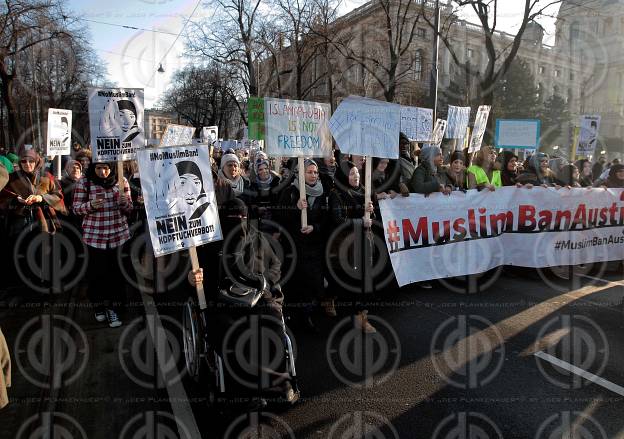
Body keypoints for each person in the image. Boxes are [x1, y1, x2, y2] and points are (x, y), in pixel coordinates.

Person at [73, 162, 132, 328]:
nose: (103, 172)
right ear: (93, 168)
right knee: (97, 275)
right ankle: (98, 305)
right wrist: (90, 206)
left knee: (117, 275)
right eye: (99, 168)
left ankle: (114, 308)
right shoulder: (84, 182)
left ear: (112, 168)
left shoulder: (122, 181)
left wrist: (123, 203)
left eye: (106, 168)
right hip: (94, 237)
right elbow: (76, 209)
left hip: (118, 236)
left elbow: (130, 209)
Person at [278, 159, 328, 328]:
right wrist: (295, 208)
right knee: (299, 282)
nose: (313, 175)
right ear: (301, 173)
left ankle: (310, 313)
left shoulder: (322, 192)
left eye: (315, 172)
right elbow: (281, 218)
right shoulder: (290, 192)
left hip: (315, 245)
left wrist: (315, 227)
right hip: (295, 245)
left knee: (314, 281)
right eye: (309, 172)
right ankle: (297, 316)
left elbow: (326, 220)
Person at [328, 161, 377, 333]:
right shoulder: (336, 194)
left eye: (357, 172)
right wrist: (359, 220)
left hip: (365, 242)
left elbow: (372, 217)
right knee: (351, 281)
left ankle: (361, 314)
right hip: (348, 245)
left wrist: (371, 209)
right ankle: (356, 315)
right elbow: (338, 220)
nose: (356, 176)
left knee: (364, 279)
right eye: (351, 174)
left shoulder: (364, 191)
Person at [0, 148, 65, 237]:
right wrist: (16, 199)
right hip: (19, 221)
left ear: (37, 161)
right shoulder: (12, 178)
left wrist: (41, 198)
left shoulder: (47, 177)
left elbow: (58, 196)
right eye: (24, 161)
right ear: (20, 162)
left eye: (31, 161)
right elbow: (3, 197)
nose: (27, 164)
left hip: (44, 219)